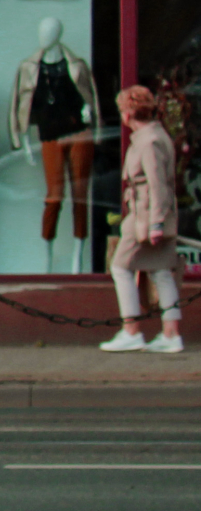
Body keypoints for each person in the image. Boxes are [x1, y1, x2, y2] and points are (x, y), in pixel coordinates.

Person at [99, 85, 183, 354]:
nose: (122, 115)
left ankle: (131, 330)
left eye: (123, 109)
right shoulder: (155, 136)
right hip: (152, 216)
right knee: (161, 272)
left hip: (145, 218)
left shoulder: (149, 142)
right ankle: (171, 334)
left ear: (130, 112)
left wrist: (156, 223)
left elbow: (158, 184)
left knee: (121, 267)